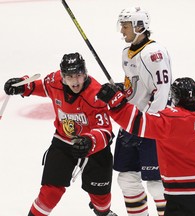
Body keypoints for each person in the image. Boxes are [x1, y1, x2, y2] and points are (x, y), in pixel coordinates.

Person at [96, 41, 195, 216]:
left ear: (175, 98)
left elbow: (136, 123)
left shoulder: (172, 120)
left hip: (183, 196)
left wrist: (116, 103)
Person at [4, 53, 117, 216]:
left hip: (93, 147)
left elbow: (106, 131)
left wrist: (89, 141)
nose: (76, 81)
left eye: (79, 75)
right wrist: (23, 86)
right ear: (63, 77)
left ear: (85, 73)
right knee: (50, 192)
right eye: (70, 77)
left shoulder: (96, 94)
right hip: (64, 142)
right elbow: (42, 86)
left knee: (101, 199)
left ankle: (104, 212)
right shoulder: (54, 81)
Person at [113, 6, 172, 216]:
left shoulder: (153, 54)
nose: (122, 31)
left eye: (126, 26)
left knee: (157, 183)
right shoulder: (127, 53)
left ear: (140, 27)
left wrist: (144, 126)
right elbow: (134, 88)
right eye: (122, 25)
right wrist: (121, 92)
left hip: (149, 125)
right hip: (131, 123)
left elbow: (162, 94)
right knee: (127, 179)